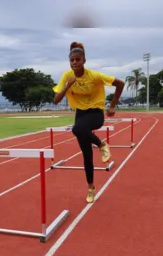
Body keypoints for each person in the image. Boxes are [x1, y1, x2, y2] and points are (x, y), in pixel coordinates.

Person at [52, 41, 125, 203]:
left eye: (78, 60)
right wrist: (67, 86)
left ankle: (101, 144)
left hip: (96, 114)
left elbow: (120, 83)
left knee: (77, 129)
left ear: (84, 60)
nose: (74, 63)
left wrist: (112, 106)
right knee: (86, 155)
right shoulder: (67, 76)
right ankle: (91, 188)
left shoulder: (95, 76)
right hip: (81, 114)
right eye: (72, 60)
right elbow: (56, 100)